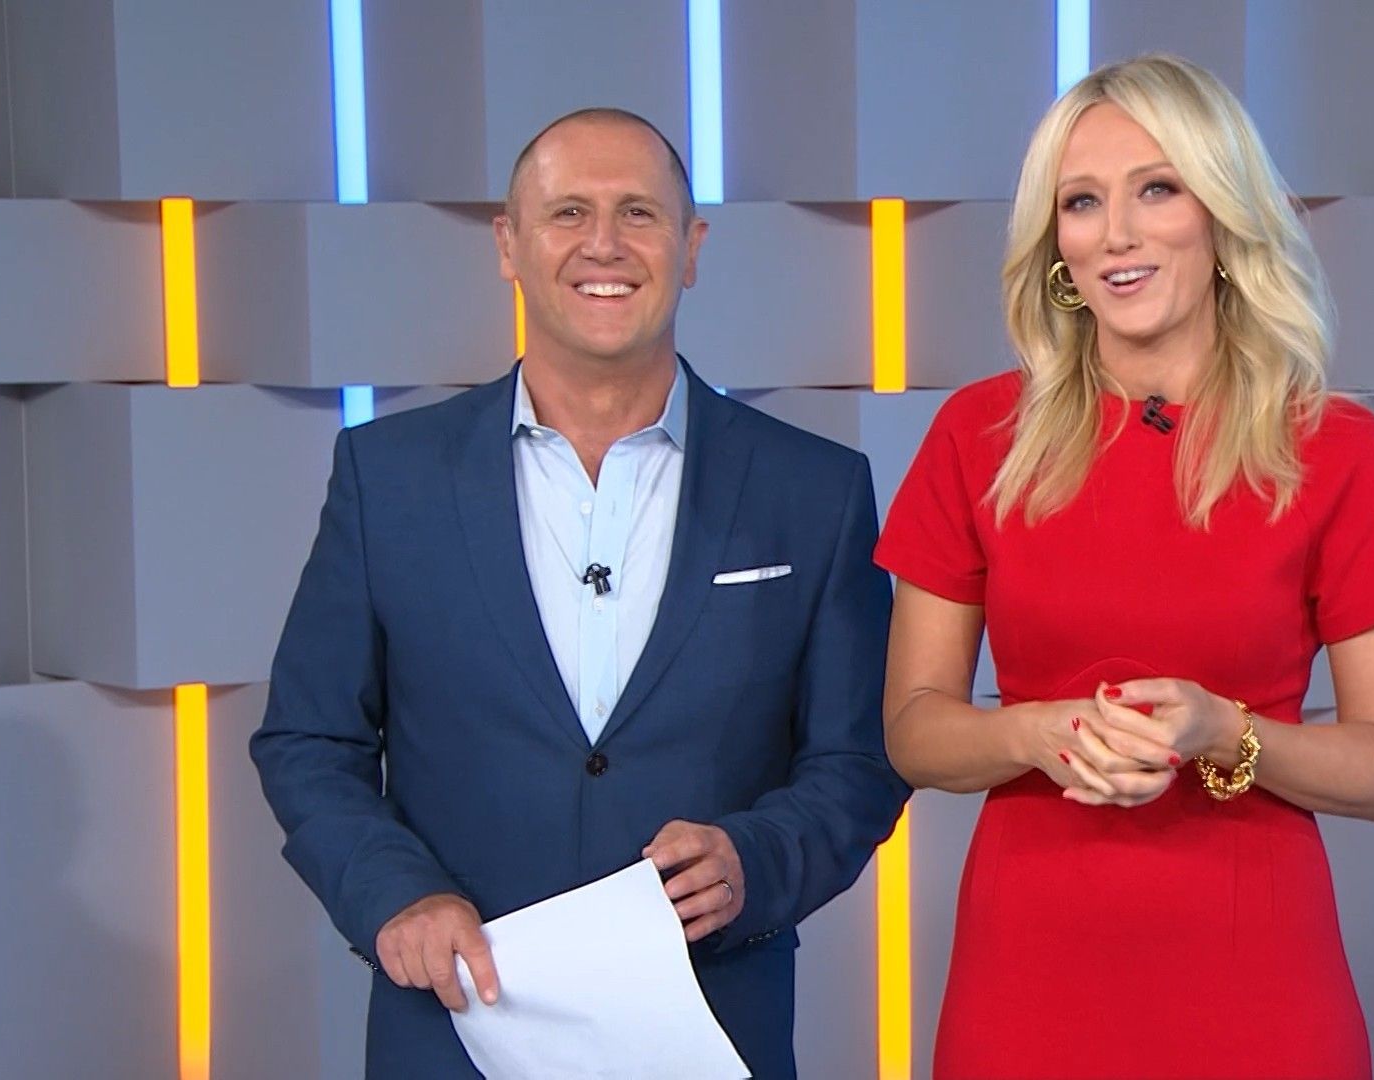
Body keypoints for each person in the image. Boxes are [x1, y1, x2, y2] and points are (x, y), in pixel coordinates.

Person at [251, 108, 908, 1080]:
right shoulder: (387, 478)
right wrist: (396, 895)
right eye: (568, 213)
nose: (604, 244)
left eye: (639, 213)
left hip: (712, 1024)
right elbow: (309, 740)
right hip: (455, 1029)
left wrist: (757, 858)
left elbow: (860, 759)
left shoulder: (813, 490)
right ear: (508, 245)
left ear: (692, 248)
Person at [875, 55, 1374, 1080]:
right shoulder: (978, 434)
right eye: (1082, 202)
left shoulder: (1337, 449)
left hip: (1257, 991)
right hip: (1027, 985)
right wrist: (1035, 733)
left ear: (1222, 213)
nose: (1117, 234)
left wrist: (1225, 732)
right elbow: (914, 730)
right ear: (1056, 242)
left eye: (1157, 190)